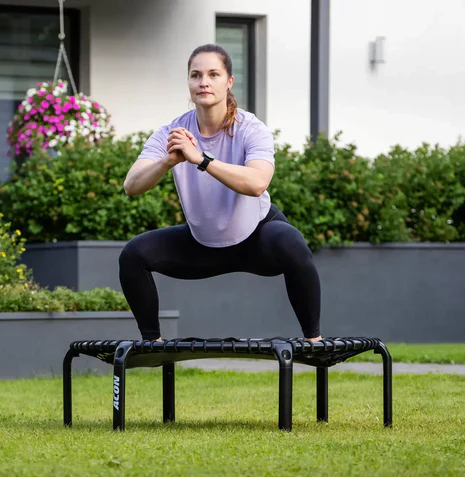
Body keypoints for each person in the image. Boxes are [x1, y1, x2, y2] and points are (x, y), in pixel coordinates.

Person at [119, 43, 322, 343]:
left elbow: (257, 183)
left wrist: (201, 159)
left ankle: (314, 342)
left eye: (213, 74)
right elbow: (131, 185)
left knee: (292, 241)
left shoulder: (250, 128)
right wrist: (167, 161)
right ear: (188, 83)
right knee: (133, 255)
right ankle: (153, 344)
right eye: (195, 75)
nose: (203, 82)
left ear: (228, 81)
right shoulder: (172, 133)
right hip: (202, 243)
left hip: (256, 237)